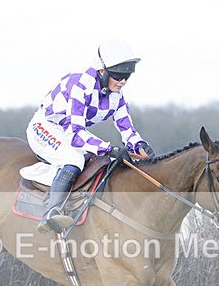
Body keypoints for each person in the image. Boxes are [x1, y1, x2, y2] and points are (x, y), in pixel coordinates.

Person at [24, 39, 156, 234]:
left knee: (102, 161)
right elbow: (76, 135)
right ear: (102, 71)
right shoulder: (79, 86)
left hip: (66, 131)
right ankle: (51, 212)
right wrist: (110, 149)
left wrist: (141, 146)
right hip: (45, 127)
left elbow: (128, 131)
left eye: (126, 76)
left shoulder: (116, 96)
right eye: (118, 76)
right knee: (74, 159)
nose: (122, 81)